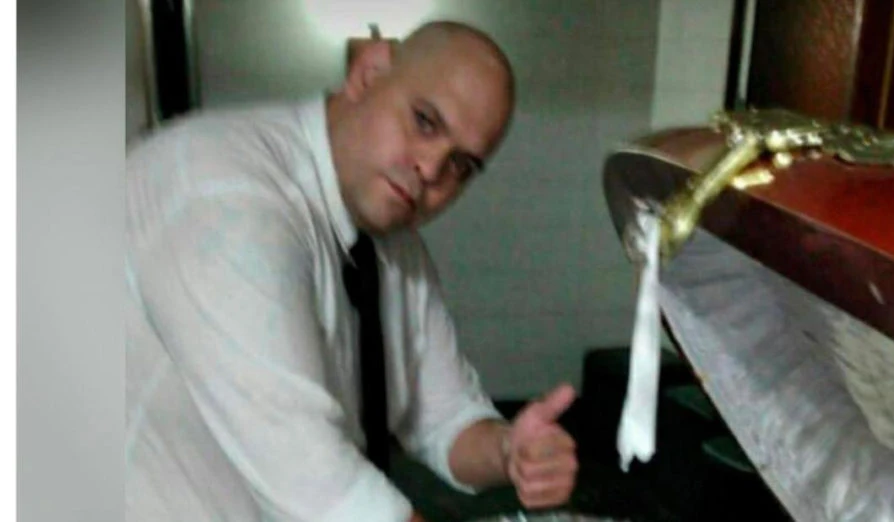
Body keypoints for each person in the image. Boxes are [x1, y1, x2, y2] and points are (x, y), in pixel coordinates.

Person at [125, 20, 578, 521]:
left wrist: (509, 450)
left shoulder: (392, 244)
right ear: (369, 72)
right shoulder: (224, 195)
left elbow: (443, 417)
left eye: (461, 165)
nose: (431, 169)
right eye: (425, 121)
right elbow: (317, 485)